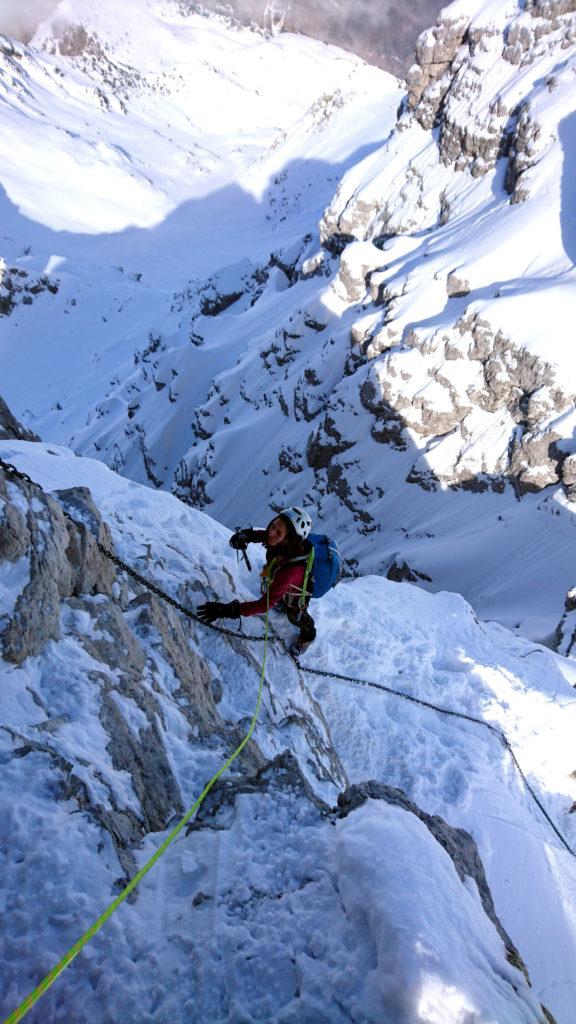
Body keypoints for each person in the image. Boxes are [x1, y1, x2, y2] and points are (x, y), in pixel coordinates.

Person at [197, 506, 316, 655]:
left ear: (287, 540)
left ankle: (308, 636)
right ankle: (281, 602)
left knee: (295, 616)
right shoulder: (281, 542)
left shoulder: (290, 572)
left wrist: (227, 610)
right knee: (277, 595)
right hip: (280, 577)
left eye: (278, 532)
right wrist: (245, 536)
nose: (271, 533)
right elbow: (263, 535)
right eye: (273, 526)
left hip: (296, 591)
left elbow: (263, 605)